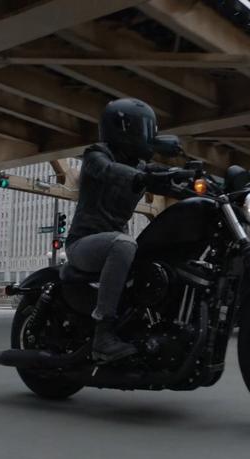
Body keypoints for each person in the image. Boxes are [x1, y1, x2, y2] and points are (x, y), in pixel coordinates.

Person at [65, 98, 184, 364]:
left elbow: (163, 177)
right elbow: (108, 171)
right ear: (123, 129)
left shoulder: (140, 166)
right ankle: (102, 335)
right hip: (83, 244)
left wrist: (198, 180)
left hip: (113, 243)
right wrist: (143, 176)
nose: (147, 136)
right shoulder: (97, 154)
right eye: (143, 129)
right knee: (124, 244)